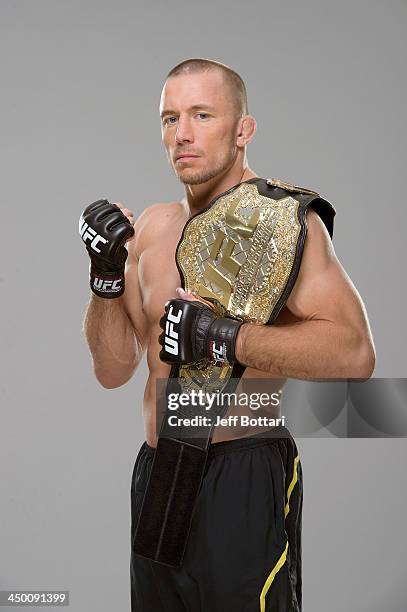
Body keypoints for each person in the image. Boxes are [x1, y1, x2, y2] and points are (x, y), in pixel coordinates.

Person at [80, 59, 375, 611]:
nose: (182, 134)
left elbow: (355, 355)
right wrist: (102, 279)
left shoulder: (283, 222)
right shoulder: (149, 228)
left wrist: (224, 336)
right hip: (158, 474)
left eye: (202, 114)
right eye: (169, 119)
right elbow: (113, 369)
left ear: (244, 130)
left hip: (241, 473)